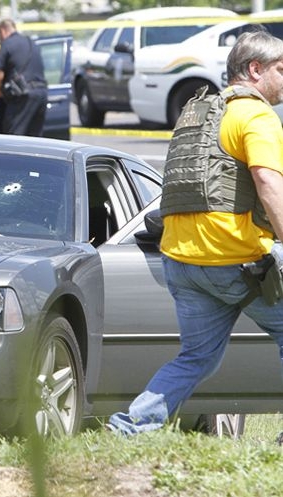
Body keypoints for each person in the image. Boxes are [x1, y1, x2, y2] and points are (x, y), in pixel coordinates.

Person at [107, 30, 283, 436]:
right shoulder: (256, 115)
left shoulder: (197, 112)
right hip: (235, 260)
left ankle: (130, 429)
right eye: (280, 69)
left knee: (196, 357)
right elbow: (268, 182)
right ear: (255, 70)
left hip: (182, 261)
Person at [0, 18, 48, 136]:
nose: (0, 40)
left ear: (2, 31)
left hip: (22, 97)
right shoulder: (31, 43)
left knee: (14, 140)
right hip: (41, 94)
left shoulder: (7, 45)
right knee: (36, 140)